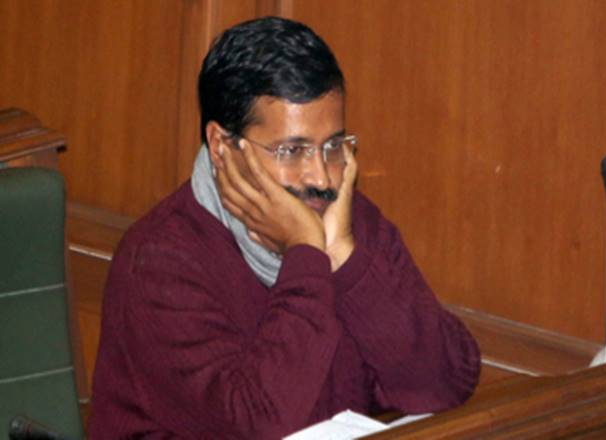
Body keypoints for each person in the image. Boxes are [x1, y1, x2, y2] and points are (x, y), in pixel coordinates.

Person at [88, 16, 480, 439]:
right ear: (221, 147)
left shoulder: (348, 221)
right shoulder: (159, 263)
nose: (321, 176)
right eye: (292, 151)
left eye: (333, 146)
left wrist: (343, 257)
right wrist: (306, 254)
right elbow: (257, 425)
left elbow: (445, 382)